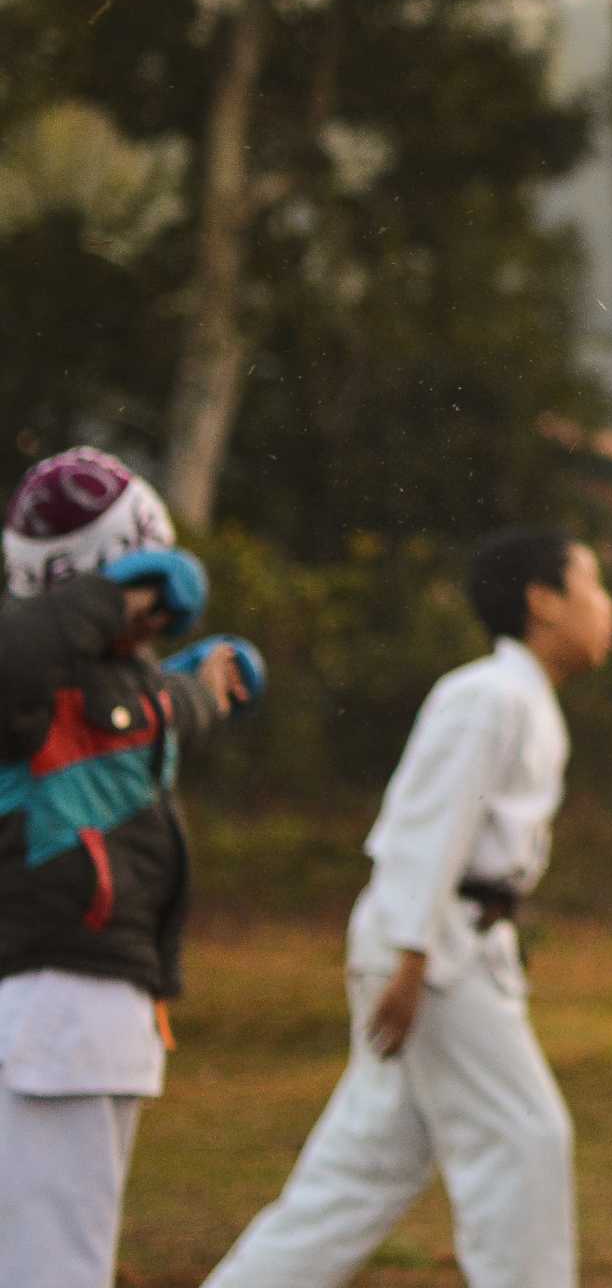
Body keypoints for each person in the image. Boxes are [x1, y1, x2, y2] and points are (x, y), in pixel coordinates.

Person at [203, 526, 612, 1288]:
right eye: (593, 587)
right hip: (432, 952)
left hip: (452, 947)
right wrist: (410, 954)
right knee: (524, 1139)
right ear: (542, 601)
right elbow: (428, 828)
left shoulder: (522, 700)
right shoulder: (485, 695)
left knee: (361, 1171)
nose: (608, 609)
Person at [1, 447, 255, 1288]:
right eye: (142, 592)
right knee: (53, 1268)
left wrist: (208, 680)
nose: (153, 619)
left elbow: (172, 705)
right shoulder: (26, 688)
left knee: (66, 1256)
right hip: (52, 1009)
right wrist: (119, 590)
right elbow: (20, 655)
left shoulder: (114, 689)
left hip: (106, 1010)